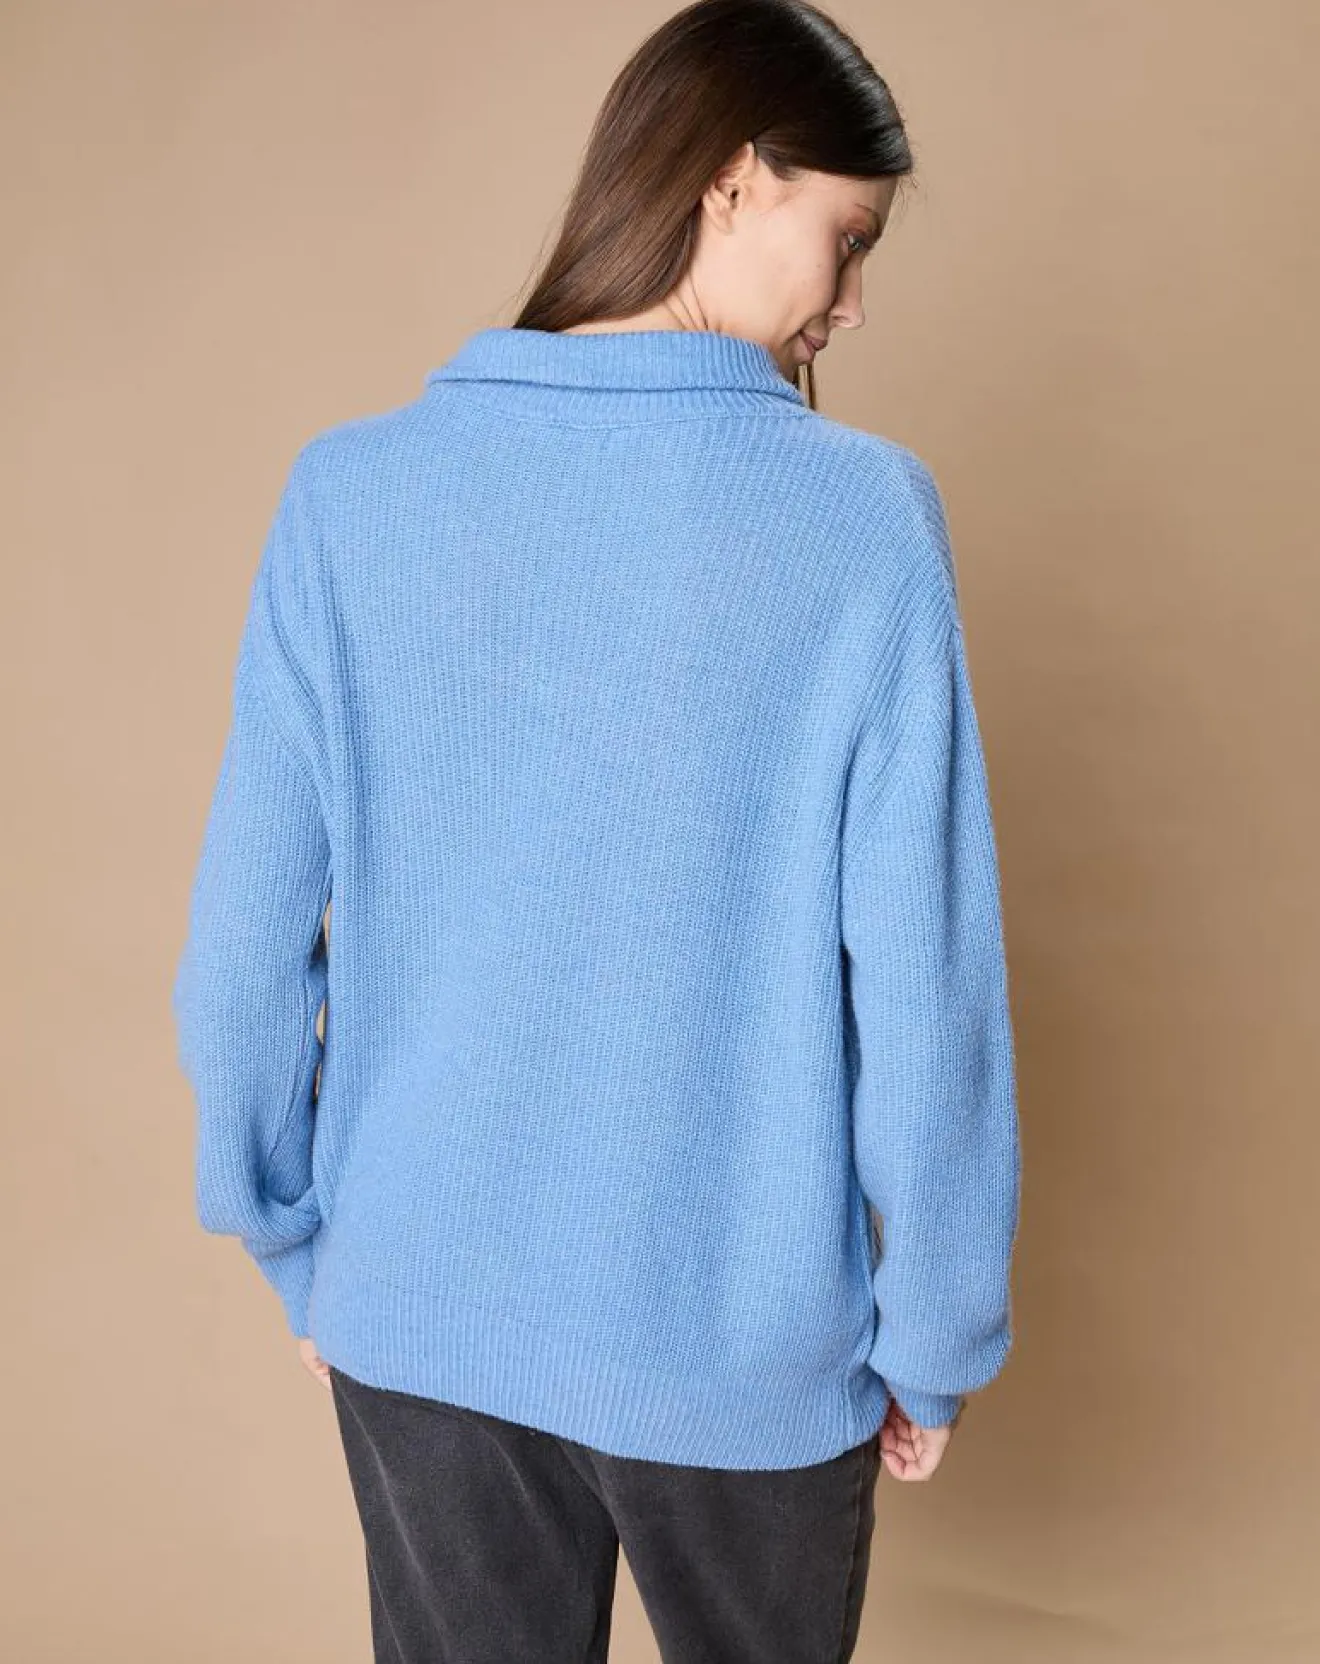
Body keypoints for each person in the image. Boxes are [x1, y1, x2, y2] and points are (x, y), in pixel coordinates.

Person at [170, 0, 1021, 1657]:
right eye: (848, 237)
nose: (852, 301)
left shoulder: (349, 495)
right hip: (744, 1356)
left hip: (416, 1315)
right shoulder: (863, 523)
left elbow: (242, 954)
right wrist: (935, 1336)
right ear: (733, 178)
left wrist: (300, 1245)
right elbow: (929, 996)